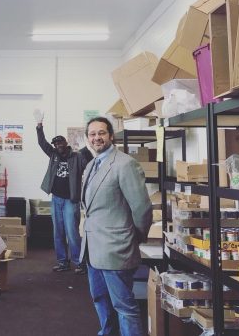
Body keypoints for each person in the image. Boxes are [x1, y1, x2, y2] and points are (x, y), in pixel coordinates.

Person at [80, 116, 152, 336]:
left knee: (124, 307)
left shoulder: (125, 164)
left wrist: (134, 237)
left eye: (101, 133)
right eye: (92, 134)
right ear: (88, 138)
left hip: (116, 248)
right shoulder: (91, 165)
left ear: (111, 136)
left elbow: (142, 208)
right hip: (93, 249)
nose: (97, 138)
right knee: (100, 299)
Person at [36, 118, 89, 274]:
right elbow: (42, 143)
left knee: (72, 232)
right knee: (58, 232)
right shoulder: (53, 155)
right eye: (56, 144)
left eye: (60, 143)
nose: (58, 146)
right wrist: (39, 126)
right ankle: (62, 262)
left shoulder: (77, 157)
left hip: (71, 200)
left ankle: (79, 262)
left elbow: (89, 166)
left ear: (66, 143)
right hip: (56, 199)